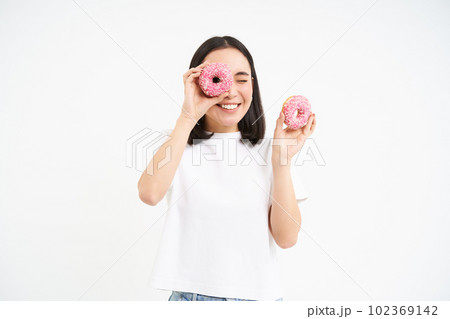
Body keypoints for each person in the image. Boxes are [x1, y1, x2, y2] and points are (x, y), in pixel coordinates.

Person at [137, 35, 317, 301]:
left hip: (261, 300)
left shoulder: (272, 150)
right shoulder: (177, 143)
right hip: (192, 299)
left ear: (252, 87)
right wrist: (188, 116)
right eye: (220, 80)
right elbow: (149, 194)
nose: (231, 91)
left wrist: (281, 162)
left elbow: (287, 238)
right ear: (197, 84)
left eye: (242, 80)